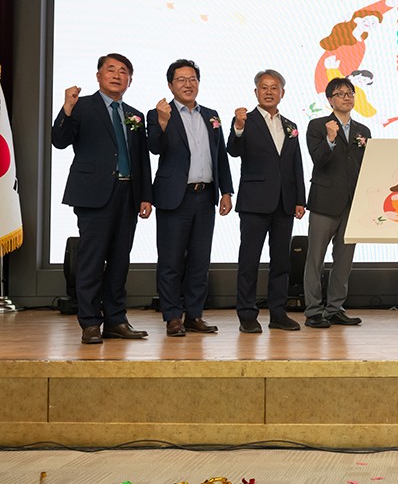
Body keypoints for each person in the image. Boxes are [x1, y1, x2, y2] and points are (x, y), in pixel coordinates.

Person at [51, 53, 153, 344]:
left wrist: (145, 195)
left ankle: (116, 320)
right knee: (92, 262)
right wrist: (66, 108)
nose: (117, 75)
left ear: (130, 80)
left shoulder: (134, 114)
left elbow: (141, 159)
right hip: (93, 195)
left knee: (120, 262)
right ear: (98, 76)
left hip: (127, 194)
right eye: (111, 70)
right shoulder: (82, 106)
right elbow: (59, 140)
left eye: (123, 71)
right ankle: (90, 322)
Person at [147, 59, 234, 337]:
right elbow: (154, 147)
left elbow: (220, 156)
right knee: (171, 261)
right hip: (175, 198)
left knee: (200, 260)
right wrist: (162, 123)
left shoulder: (211, 115)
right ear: (170, 85)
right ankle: (173, 316)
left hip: (205, 196)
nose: (188, 84)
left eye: (192, 79)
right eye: (181, 79)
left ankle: (195, 315)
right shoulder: (159, 113)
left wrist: (226, 191)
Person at [227, 69, 306, 334]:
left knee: (281, 262)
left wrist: (300, 200)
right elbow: (233, 150)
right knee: (249, 260)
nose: (269, 92)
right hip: (254, 202)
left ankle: (278, 313)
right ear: (256, 92)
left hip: (284, 203)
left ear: (282, 93)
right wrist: (238, 127)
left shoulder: (290, 126)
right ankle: (247, 315)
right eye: (264, 87)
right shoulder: (244, 120)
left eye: (274, 87)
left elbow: (296, 164)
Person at [302, 78, 371, 328]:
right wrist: (330, 139)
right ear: (330, 99)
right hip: (325, 202)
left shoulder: (363, 131)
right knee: (315, 259)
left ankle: (334, 309)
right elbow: (319, 160)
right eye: (340, 93)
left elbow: (365, 166)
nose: (346, 97)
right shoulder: (317, 125)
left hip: (352, 203)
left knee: (344, 260)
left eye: (350, 93)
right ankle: (313, 311)